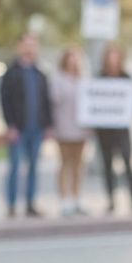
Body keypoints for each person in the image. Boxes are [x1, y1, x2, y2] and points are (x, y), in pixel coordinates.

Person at [0, 32, 53, 218]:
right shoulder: (11, 72)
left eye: (33, 44)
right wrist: (10, 125)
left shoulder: (40, 73)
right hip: (18, 129)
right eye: (27, 44)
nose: (30, 48)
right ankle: (12, 205)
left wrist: (48, 125)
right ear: (20, 46)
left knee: (34, 167)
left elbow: (46, 101)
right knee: (15, 166)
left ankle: (30, 203)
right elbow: (4, 101)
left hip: (36, 128)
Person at [93, 44, 132, 215]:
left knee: (128, 164)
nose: (113, 60)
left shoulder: (126, 78)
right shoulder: (99, 78)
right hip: (104, 130)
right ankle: (111, 201)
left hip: (122, 130)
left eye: (116, 56)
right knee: (107, 166)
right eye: (110, 56)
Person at [49, 46, 90, 217]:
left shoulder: (83, 79)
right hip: (63, 128)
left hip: (80, 130)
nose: (74, 60)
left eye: (76, 57)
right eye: (71, 57)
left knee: (78, 166)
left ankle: (76, 198)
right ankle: (64, 200)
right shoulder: (58, 78)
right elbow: (54, 101)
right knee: (64, 164)